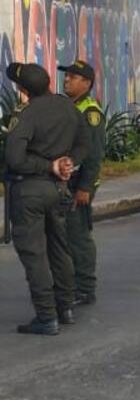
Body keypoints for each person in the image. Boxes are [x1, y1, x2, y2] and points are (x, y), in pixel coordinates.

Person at [4, 62, 89, 335]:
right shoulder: (68, 107)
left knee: (34, 255)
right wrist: (69, 162)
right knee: (59, 249)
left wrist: (49, 166)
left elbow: (15, 159)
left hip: (30, 191)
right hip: (59, 190)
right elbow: (85, 143)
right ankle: (66, 307)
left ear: (23, 89)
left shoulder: (27, 114)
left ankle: (46, 316)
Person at [58, 60, 104, 307]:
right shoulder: (69, 106)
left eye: (73, 77)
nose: (67, 79)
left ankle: (85, 289)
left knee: (78, 236)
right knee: (64, 235)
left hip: (80, 184)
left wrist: (85, 188)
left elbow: (93, 155)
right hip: (67, 181)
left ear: (86, 83)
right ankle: (69, 284)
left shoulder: (90, 113)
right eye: (67, 76)